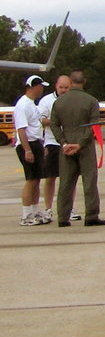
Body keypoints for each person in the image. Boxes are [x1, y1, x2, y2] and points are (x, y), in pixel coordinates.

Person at [51, 71, 105, 227]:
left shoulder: (59, 102)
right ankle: (91, 215)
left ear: (70, 81)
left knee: (66, 183)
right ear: (84, 81)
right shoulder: (91, 101)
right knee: (89, 181)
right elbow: (93, 125)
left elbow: (54, 124)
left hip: (67, 143)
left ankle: (62, 217)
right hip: (85, 144)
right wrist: (81, 143)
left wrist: (63, 142)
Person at [12, 75, 49, 226]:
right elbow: (21, 130)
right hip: (27, 144)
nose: (42, 89)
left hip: (36, 143)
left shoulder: (32, 104)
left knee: (36, 179)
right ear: (33, 86)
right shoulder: (23, 105)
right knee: (30, 179)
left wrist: (41, 145)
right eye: (40, 86)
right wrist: (27, 150)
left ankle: (34, 211)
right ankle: (26, 214)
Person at [35, 74, 69, 223]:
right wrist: (56, 122)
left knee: (69, 178)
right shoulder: (46, 101)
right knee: (50, 177)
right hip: (53, 142)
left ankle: (69, 207)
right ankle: (48, 209)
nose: (63, 90)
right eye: (61, 87)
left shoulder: (72, 99)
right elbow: (41, 119)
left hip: (69, 142)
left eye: (66, 87)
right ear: (56, 86)